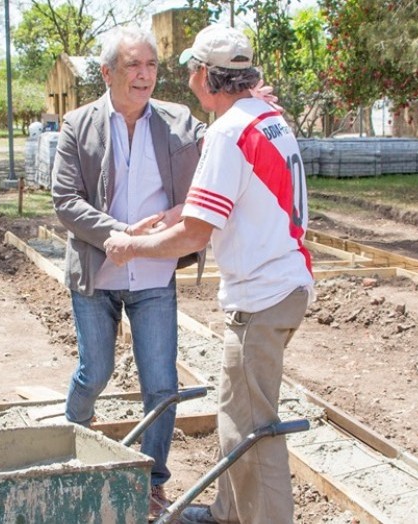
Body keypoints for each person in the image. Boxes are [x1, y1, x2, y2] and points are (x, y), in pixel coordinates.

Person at [104, 24, 315, 524]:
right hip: (284, 285)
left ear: (204, 76)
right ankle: (227, 514)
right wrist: (171, 216)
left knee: (252, 429)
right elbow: (222, 202)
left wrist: (131, 246)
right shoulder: (266, 118)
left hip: (261, 296)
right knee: (234, 413)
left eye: (190, 72)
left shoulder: (227, 133)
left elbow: (196, 235)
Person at [51, 25, 206, 519]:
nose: (144, 76)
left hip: (155, 273)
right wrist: (119, 233)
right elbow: (65, 201)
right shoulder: (78, 125)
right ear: (107, 72)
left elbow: (221, 147)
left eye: (151, 66)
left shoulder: (179, 122)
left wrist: (250, 104)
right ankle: (71, 448)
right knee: (94, 372)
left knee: (160, 383)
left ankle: (152, 481)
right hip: (99, 273)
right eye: (133, 66)